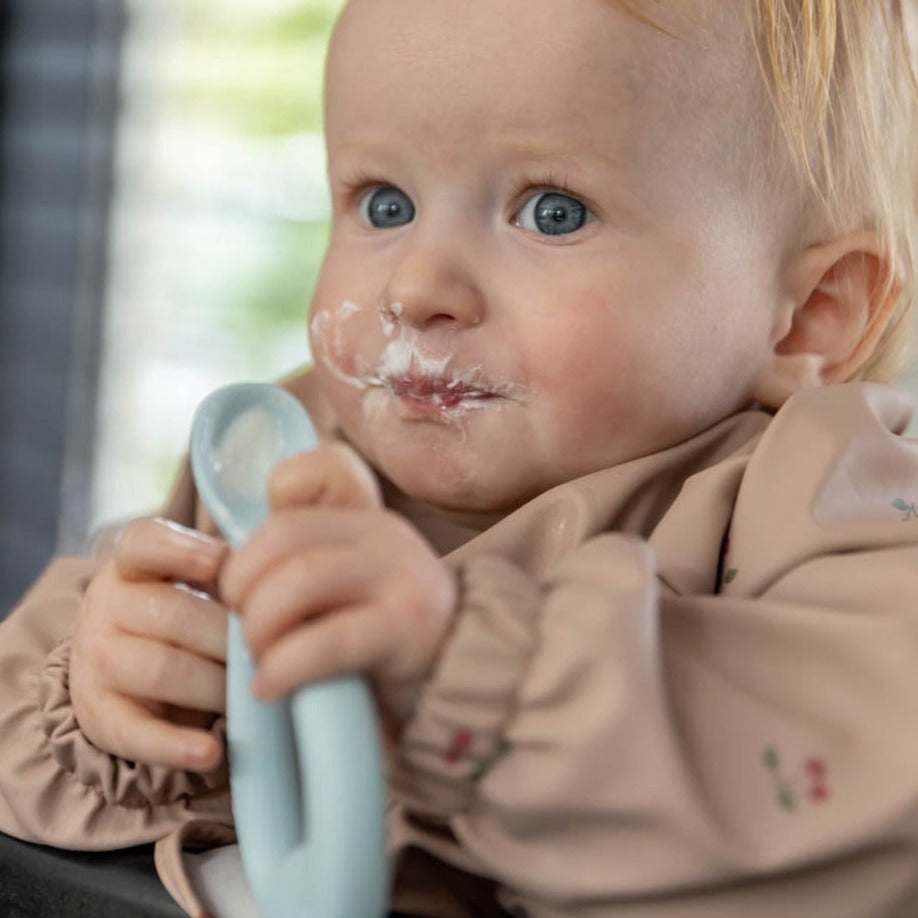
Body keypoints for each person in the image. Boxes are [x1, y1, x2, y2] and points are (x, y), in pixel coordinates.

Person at [0, 0, 917, 915]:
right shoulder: (291, 452)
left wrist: (473, 680)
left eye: (552, 213)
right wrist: (106, 693)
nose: (416, 287)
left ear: (810, 313)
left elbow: (875, 770)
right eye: (383, 204)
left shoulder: (822, 485)